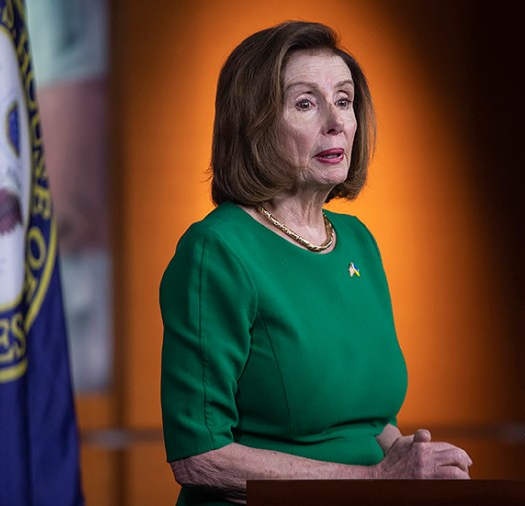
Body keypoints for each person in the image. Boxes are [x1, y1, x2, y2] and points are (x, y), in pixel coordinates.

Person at [159, 21, 472, 506]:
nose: (336, 122)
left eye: (344, 101)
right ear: (255, 124)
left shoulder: (357, 242)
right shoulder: (216, 251)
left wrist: (413, 458)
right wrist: (374, 482)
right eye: (306, 103)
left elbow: (369, 423)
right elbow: (199, 458)